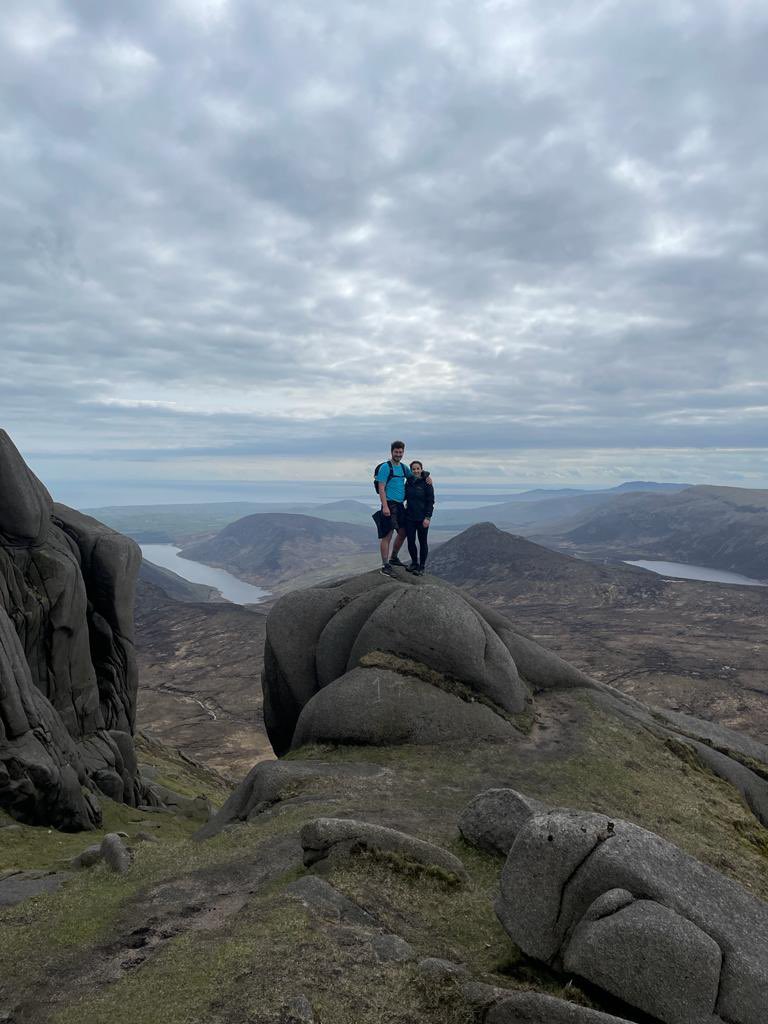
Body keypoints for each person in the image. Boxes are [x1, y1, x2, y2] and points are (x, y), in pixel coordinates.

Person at [375, 441, 432, 577]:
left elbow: (415, 475)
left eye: (401, 452)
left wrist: (427, 476)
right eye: (396, 452)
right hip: (389, 504)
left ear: (403, 452)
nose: (398, 454)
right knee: (387, 535)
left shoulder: (403, 467)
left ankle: (394, 557)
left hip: (400, 506)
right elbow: (381, 488)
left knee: (403, 532)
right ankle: (385, 565)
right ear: (392, 452)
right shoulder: (385, 467)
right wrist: (385, 506)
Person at [404, 460, 434, 575]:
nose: (416, 471)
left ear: (421, 469)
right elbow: (405, 496)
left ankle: (421, 567)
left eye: (418, 468)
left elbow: (430, 501)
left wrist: (428, 517)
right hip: (410, 517)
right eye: (413, 469)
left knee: (422, 542)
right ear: (411, 471)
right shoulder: (409, 482)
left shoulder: (427, 483)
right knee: (411, 541)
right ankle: (414, 564)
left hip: (422, 518)